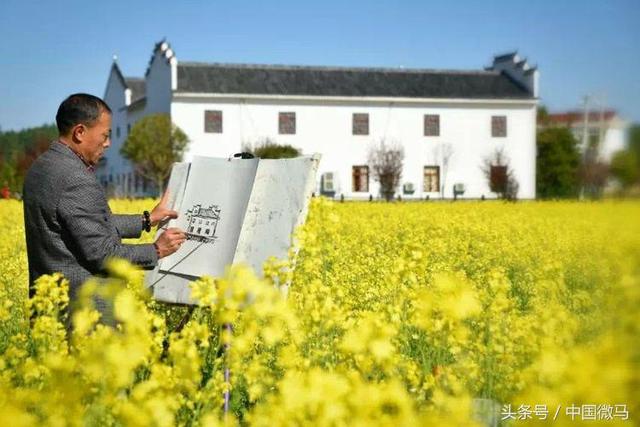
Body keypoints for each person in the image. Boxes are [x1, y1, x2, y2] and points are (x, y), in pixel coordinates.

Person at [23, 93, 186, 325]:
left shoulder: (42, 166)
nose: (108, 143)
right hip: (84, 316)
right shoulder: (76, 178)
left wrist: (146, 220)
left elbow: (83, 222)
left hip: (50, 309)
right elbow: (102, 254)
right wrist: (157, 250)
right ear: (79, 132)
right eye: (105, 135)